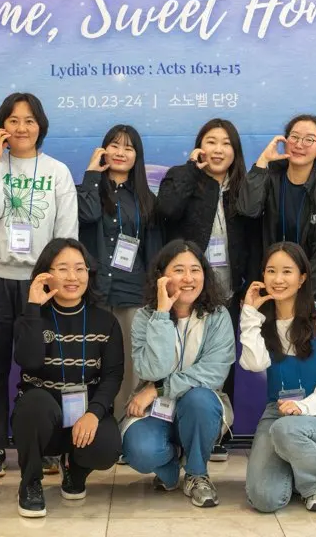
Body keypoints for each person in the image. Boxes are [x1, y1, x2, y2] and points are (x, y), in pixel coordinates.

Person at [0, 92, 79, 478]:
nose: (21, 128)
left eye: (29, 120)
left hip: (39, 281)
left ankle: (46, 445)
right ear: (1, 126)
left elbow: (67, 233)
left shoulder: (57, 171)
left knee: (44, 365)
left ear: (40, 126)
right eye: (13, 120)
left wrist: (59, 278)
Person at [156, 118, 257, 461]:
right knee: (177, 358)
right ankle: (169, 430)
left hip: (228, 292)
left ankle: (217, 432)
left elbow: (254, 237)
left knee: (220, 363)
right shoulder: (182, 177)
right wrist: (190, 169)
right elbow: (166, 209)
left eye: (226, 143)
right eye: (211, 141)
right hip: (185, 291)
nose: (218, 149)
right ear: (200, 147)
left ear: (235, 151)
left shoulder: (243, 187)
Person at [11, 239, 124, 517]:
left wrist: (94, 413)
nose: (72, 277)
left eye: (79, 269)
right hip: (43, 418)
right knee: (34, 405)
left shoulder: (106, 321)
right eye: (62, 269)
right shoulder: (32, 317)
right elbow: (28, 361)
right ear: (46, 274)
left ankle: (75, 471)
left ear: (89, 273)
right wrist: (33, 309)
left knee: (107, 446)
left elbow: (112, 376)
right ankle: (30, 483)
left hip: (83, 416)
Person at [121, 240, 235, 508]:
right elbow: (151, 370)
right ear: (162, 276)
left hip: (198, 409)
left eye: (195, 270)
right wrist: (162, 314)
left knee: (199, 399)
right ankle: (171, 463)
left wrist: (157, 389)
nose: (188, 278)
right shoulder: (145, 317)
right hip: (155, 410)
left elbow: (213, 373)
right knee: (139, 450)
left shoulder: (218, 315)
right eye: (179, 270)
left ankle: (197, 473)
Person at [241, 242, 316, 513]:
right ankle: (296, 465)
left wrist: (304, 407)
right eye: (271, 271)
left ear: (302, 278)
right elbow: (254, 364)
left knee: (287, 430)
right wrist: (249, 314)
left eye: (287, 271)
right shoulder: (261, 320)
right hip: (277, 414)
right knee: (264, 498)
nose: (278, 279)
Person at [77, 124, 161, 423]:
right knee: (89, 362)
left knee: (128, 365)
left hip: (132, 291)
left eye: (128, 147)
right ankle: (90, 424)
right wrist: (91, 174)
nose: (121, 152)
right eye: (114, 145)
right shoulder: (88, 190)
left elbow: (152, 252)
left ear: (137, 155)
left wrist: (153, 294)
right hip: (94, 291)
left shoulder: (146, 199)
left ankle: (126, 425)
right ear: (103, 150)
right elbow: (86, 215)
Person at [237, 114, 316, 307]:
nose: (299, 144)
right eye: (294, 137)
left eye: (309, 139)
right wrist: (262, 161)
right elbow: (248, 209)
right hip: (269, 288)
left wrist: (300, 298)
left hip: (310, 295)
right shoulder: (269, 176)